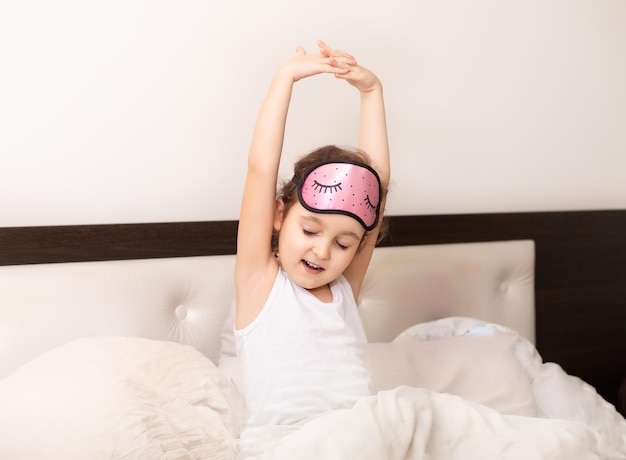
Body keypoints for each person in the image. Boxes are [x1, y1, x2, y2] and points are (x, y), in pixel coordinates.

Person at [234, 40, 390, 428]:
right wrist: (285, 77)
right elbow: (260, 169)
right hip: (287, 445)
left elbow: (379, 187)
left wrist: (372, 93)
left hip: (361, 438)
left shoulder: (344, 290)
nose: (322, 251)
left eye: (342, 244)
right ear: (278, 214)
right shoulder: (261, 283)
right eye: (309, 230)